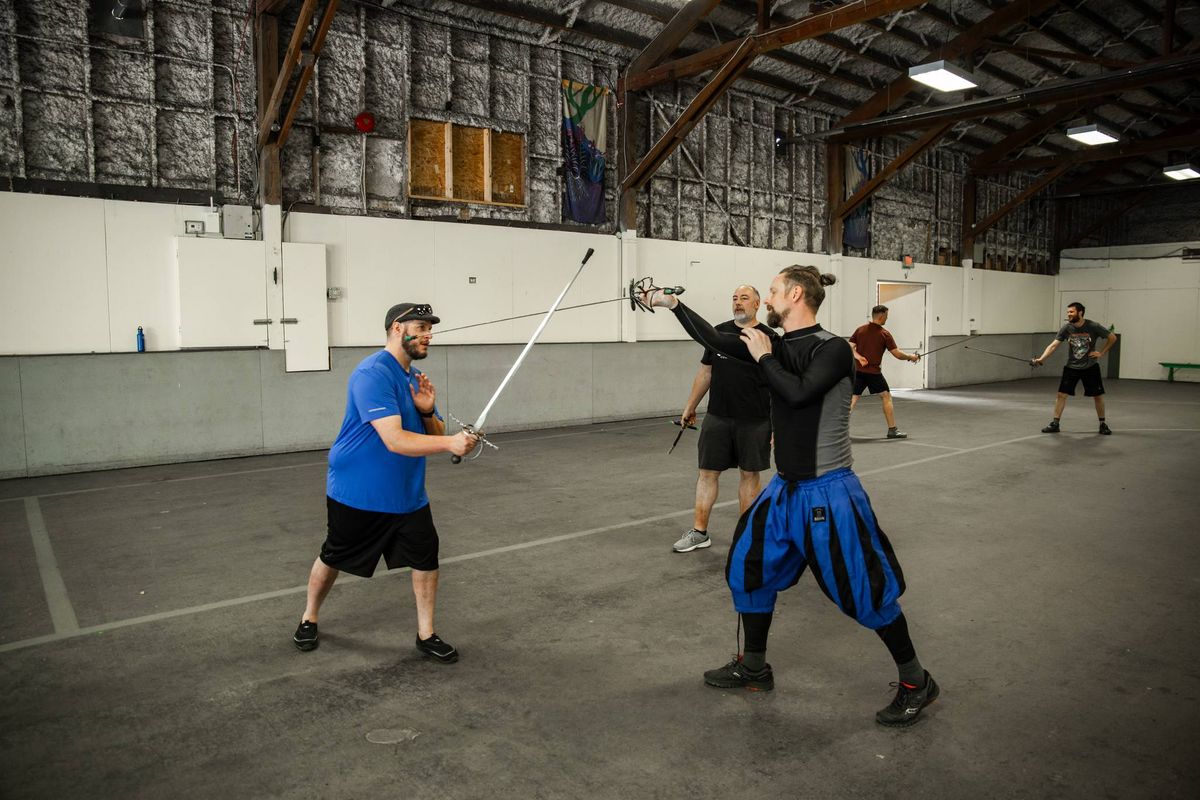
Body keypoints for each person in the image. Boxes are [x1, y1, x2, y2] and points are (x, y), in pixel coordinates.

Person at [641, 266, 938, 728]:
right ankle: (754, 667)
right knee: (748, 568)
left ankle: (917, 681)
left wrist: (763, 358)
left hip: (829, 489)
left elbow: (797, 394)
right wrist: (672, 304)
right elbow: (719, 344)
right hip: (785, 490)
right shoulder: (776, 345)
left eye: (774, 291)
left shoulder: (832, 348)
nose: (768, 299)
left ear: (795, 295)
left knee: (864, 591)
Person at [292, 302, 479, 661]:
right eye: (421, 327)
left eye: (430, 329)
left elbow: (434, 431)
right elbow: (394, 439)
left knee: (426, 558)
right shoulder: (373, 374)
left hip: (407, 493)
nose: (429, 335)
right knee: (334, 555)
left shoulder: (413, 378)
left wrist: (427, 411)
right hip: (360, 490)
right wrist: (450, 443)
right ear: (397, 328)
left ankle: (426, 633)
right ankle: (309, 617)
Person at [673, 285, 778, 554]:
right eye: (734, 298)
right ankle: (699, 532)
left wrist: (776, 425)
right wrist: (690, 405)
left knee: (749, 474)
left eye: (744, 298)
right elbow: (705, 373)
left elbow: (778, 385)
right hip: (718, 417)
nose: (738, 303)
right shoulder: (717, 333)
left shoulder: (769, 338)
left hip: (755, 420)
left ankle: (746, 536)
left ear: (757, 304)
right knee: (707, 473)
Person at [1033, 302, 1116, 435]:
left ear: (1080, 312)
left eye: (1071, 312)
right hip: (1072, 367)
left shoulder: (1093, 326)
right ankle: (1055, 424)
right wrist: (1041, 359)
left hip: (1090, 367)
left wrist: (1101, 352)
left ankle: (1102, 424)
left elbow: (1112, 337)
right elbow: (1053, 345)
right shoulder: (1067, 328)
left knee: (1097, 396)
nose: (1068, 314)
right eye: (1068, 312)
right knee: (1061, 395)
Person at [849, 305, 920, 439]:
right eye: (887, 315)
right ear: (881, 316)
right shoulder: (884, 334)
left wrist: (859, 357)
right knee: (886, 397)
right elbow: (897, 354)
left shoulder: (860, 330)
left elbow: (850, 347)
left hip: (858, 371)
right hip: (873, 373)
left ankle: (837, 431)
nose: (887, 318)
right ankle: (892, 430)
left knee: (852, 399)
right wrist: (911, 357)